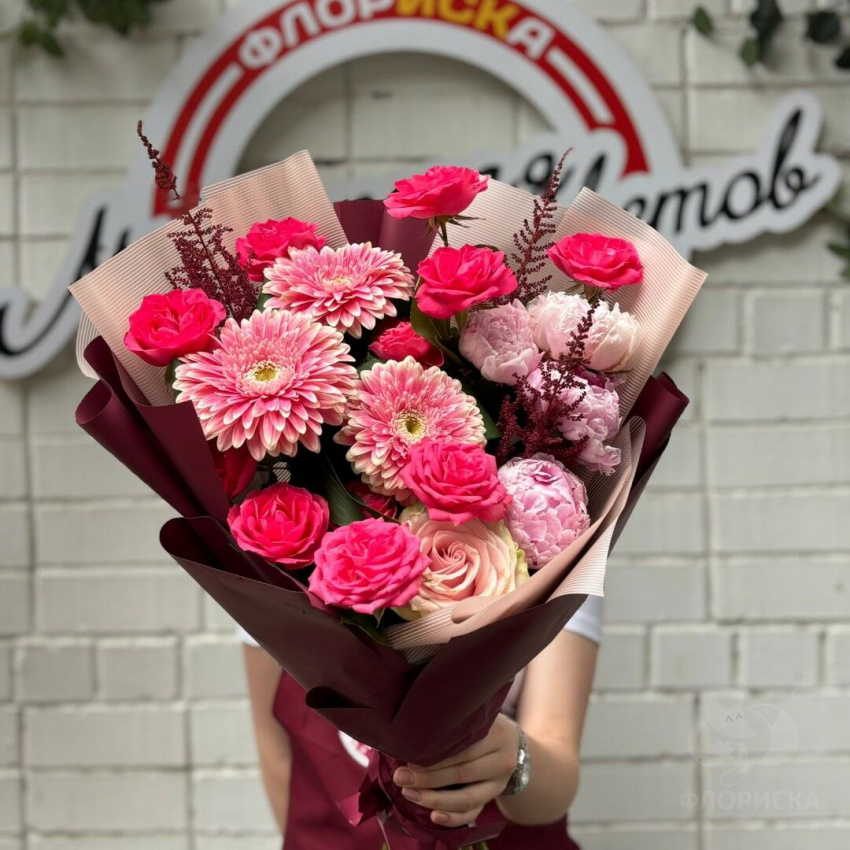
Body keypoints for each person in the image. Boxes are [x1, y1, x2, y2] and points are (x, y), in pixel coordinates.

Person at [241, 595, 602, 849]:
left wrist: (514, 757)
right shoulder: (278, 543)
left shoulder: (555, 543)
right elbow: (274, 744)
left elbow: (557, 776)